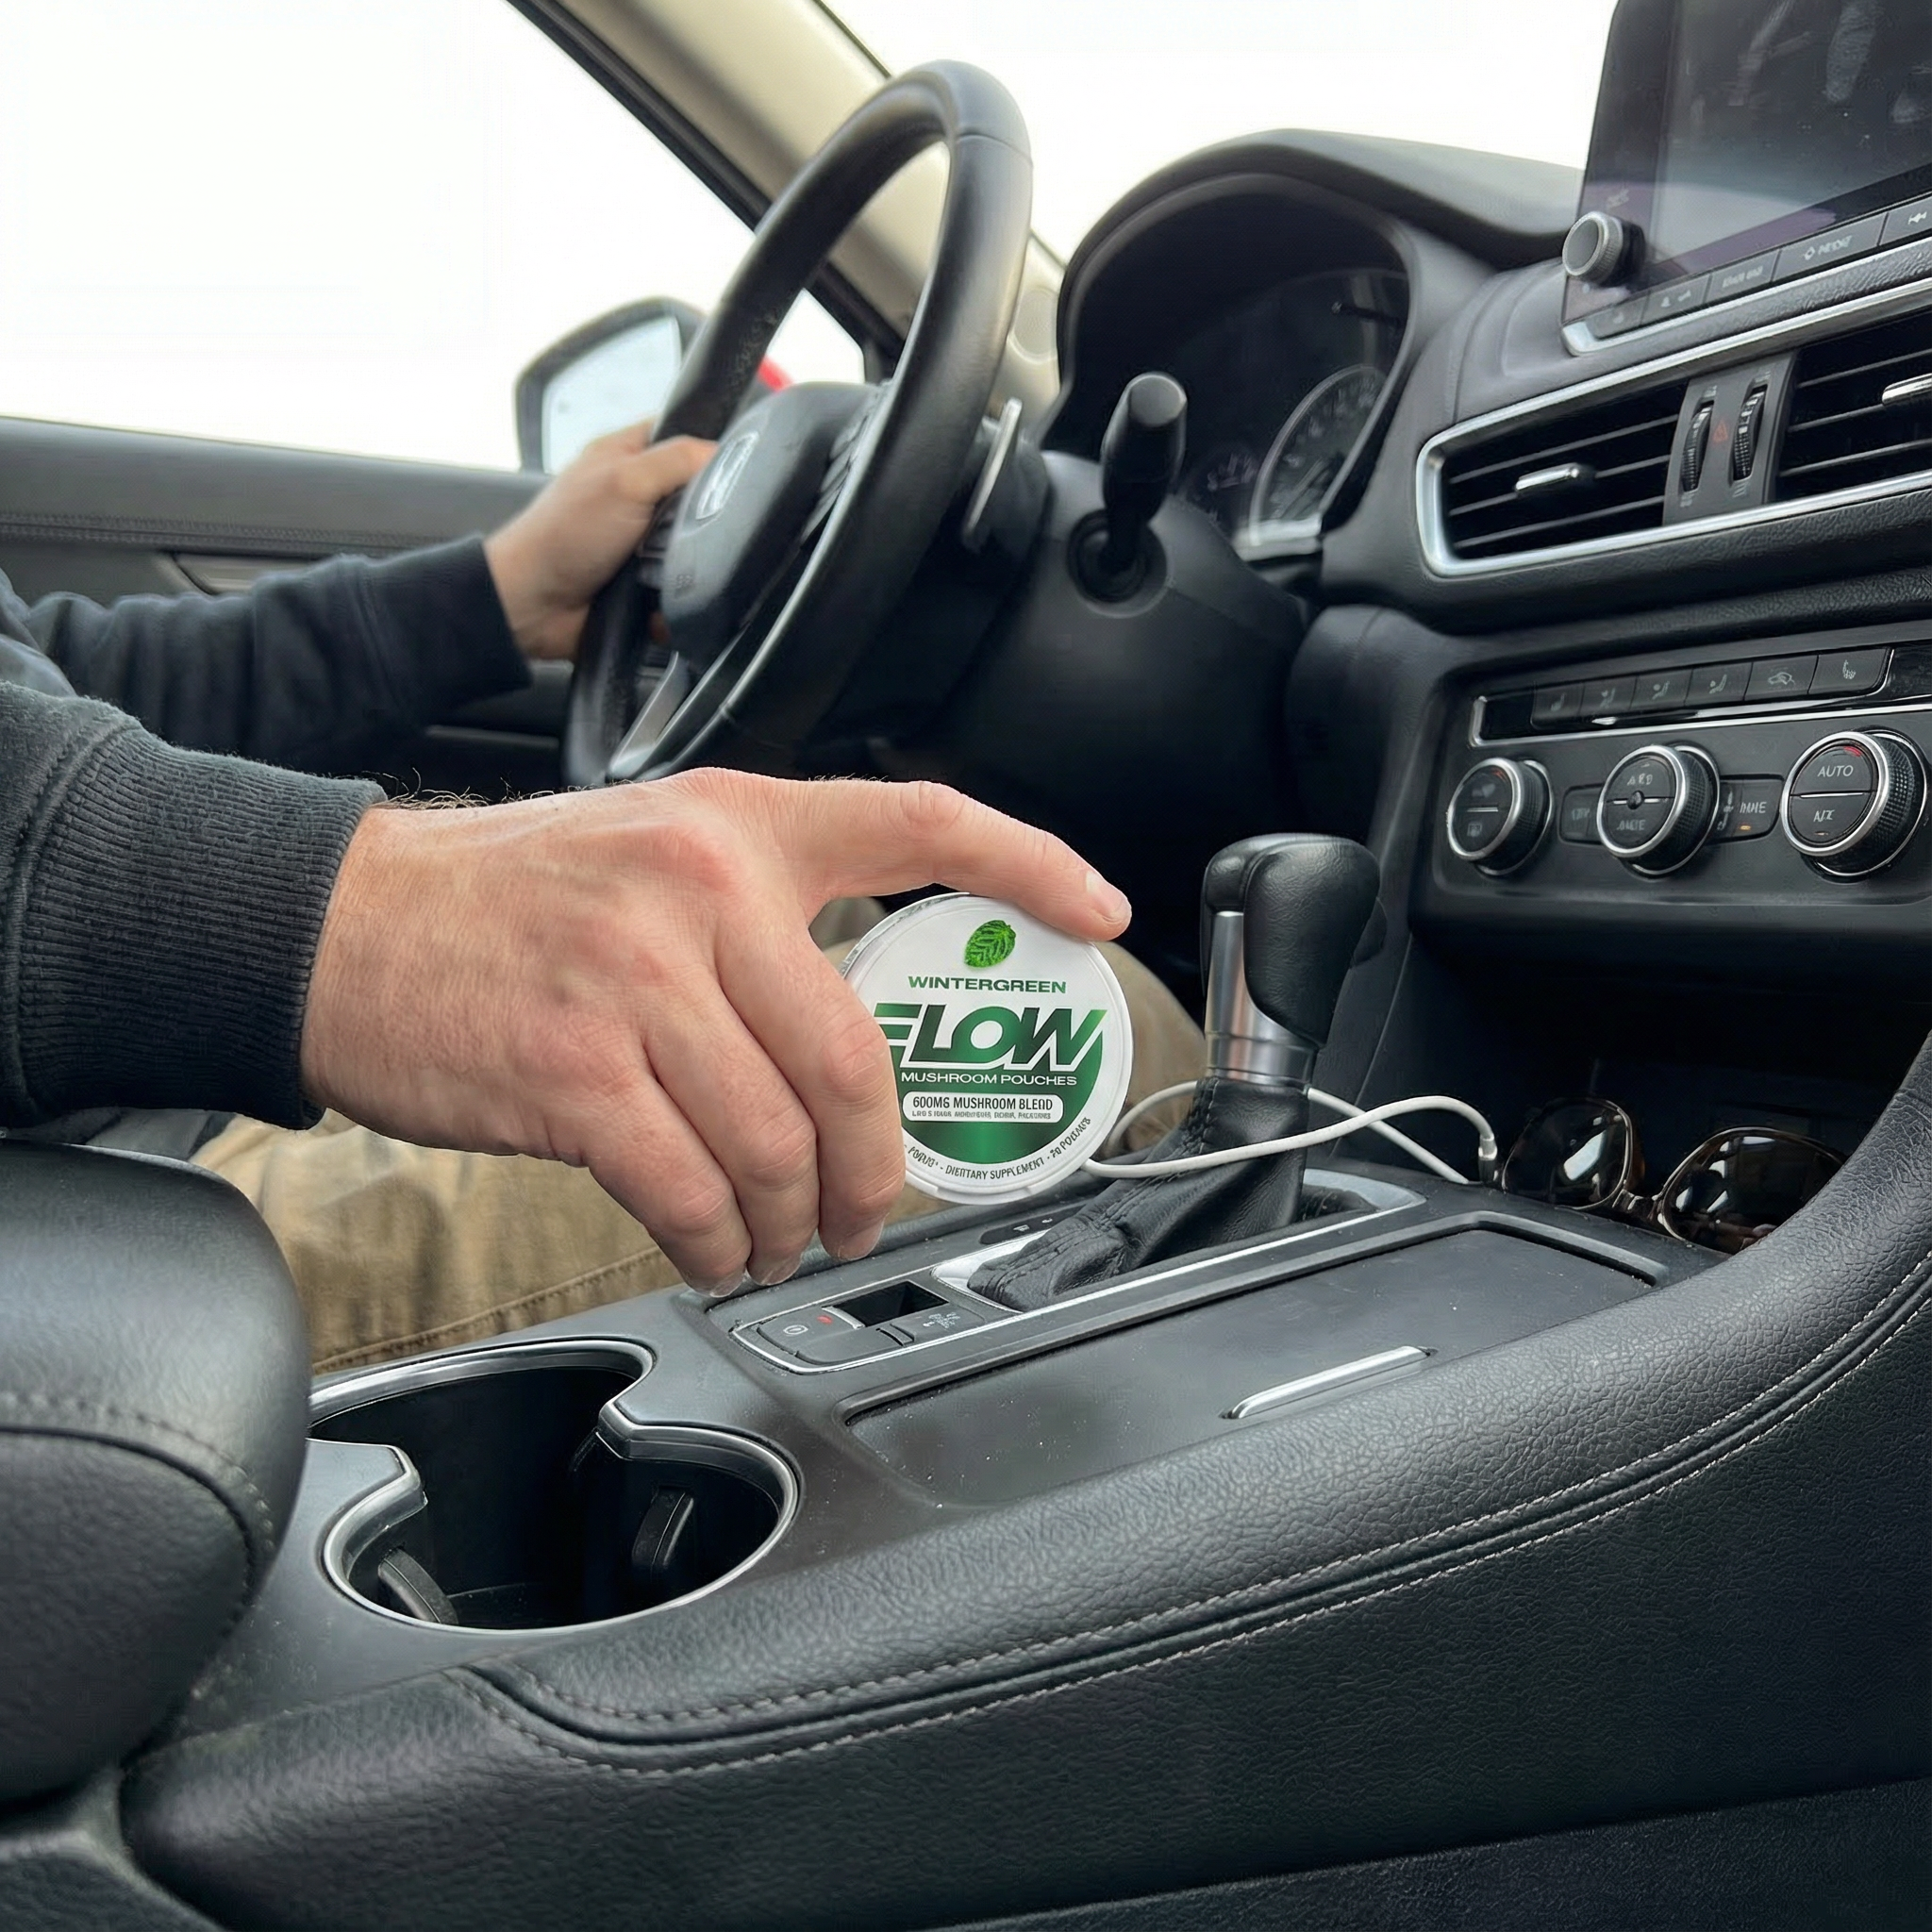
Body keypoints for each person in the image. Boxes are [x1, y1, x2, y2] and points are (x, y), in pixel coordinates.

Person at [0, 425, 1205, 1369]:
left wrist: (491, 596)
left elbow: (54, 669)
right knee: (1107, 1038)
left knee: (858, 943)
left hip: (130, 1098)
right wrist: (362, 916)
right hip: (81, 1235)